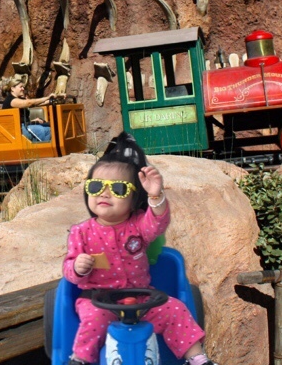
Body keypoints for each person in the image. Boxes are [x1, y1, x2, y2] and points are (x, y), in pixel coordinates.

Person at [63, 132, 217, 365]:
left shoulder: (137, 225)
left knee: (175, 309)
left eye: (118, 188)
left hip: (143, 301)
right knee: (94, 320)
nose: (105, 192)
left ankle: (196, 358)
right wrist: (77, 266)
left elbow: (157, 223)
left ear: (134, 198)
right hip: (98, 301)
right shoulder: (81, 232)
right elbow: (69, 271)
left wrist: (155, 196)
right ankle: (80, 359)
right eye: (96, 186)